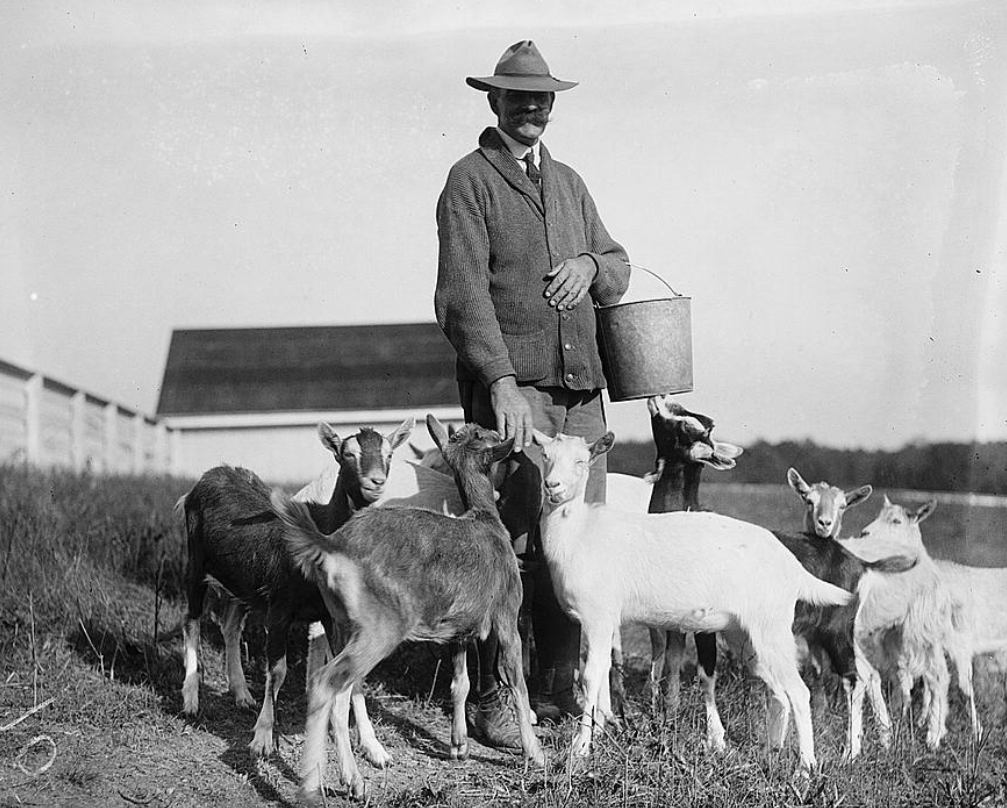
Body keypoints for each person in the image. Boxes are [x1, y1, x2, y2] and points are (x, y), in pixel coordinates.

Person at [434, 40, 630, 748]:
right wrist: (502, 385)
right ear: (493, 101)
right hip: (517, 400)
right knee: (508, 547)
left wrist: (587, 263)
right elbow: (460, 298)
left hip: (581, 397)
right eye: (518, 97)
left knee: (576, 546)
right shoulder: (469, 182)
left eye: (542, 99)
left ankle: (563, 696)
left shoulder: (570, 184)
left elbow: (619, 263)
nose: (531, 109)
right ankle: (494, 700)